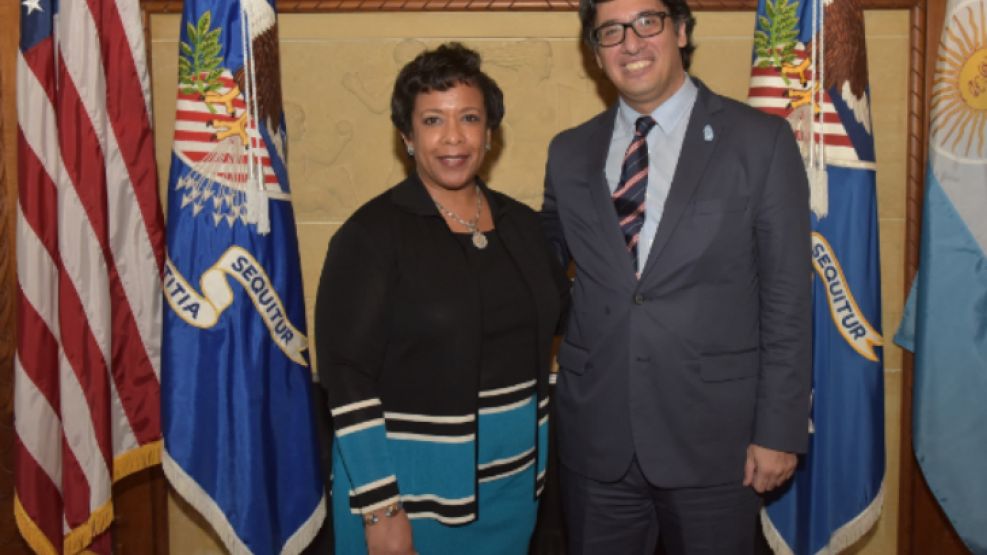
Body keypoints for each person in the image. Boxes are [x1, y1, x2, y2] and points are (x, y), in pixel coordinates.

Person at [541, 0, 813, 553]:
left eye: (648, 22)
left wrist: (779, 431)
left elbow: (787, 299)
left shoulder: (759, 143)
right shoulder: (568, 153)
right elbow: (539, 272)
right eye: (610, 31)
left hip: (719, 444)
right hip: (596, 440)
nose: (631, 43)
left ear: (682, 30)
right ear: (595, 54)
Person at [315, 43, 567, 555]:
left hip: (513, 491)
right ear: (407, 137)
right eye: (433, 120)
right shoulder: (371, 236)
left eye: (469, 118)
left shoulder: (523, 227)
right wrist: (382, 508)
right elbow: (346, 377)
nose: (453, 137)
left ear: (489, 134)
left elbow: (563, 318)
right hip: (408, 498)